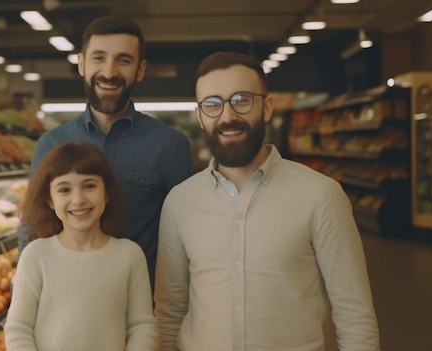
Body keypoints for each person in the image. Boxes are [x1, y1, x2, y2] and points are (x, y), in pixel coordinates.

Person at [154, 51, 380, 350]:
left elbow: (354, 315)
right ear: (200, 116)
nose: (228, 116)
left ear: (267, 107)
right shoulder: (180, 203)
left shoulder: (321, 195)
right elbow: (170, 314)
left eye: (242, 100)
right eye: (213, 104)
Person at [17, 16, 196, 290]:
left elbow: (188, 238)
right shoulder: (51, 143)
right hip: (63, 303)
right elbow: (31, 228)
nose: (109, 72)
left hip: (142, 309)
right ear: (81, 64)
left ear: (140, 70)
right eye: (98, 58)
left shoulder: (170, 146)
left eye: (123, 60)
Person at [5, 142, 155, 350]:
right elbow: (18, 328)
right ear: (50, 199)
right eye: (64, 189)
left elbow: (142, 326)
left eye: (89, 186)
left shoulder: (129, 255)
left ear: (107, 193)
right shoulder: (36, 255)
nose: (78, 199)